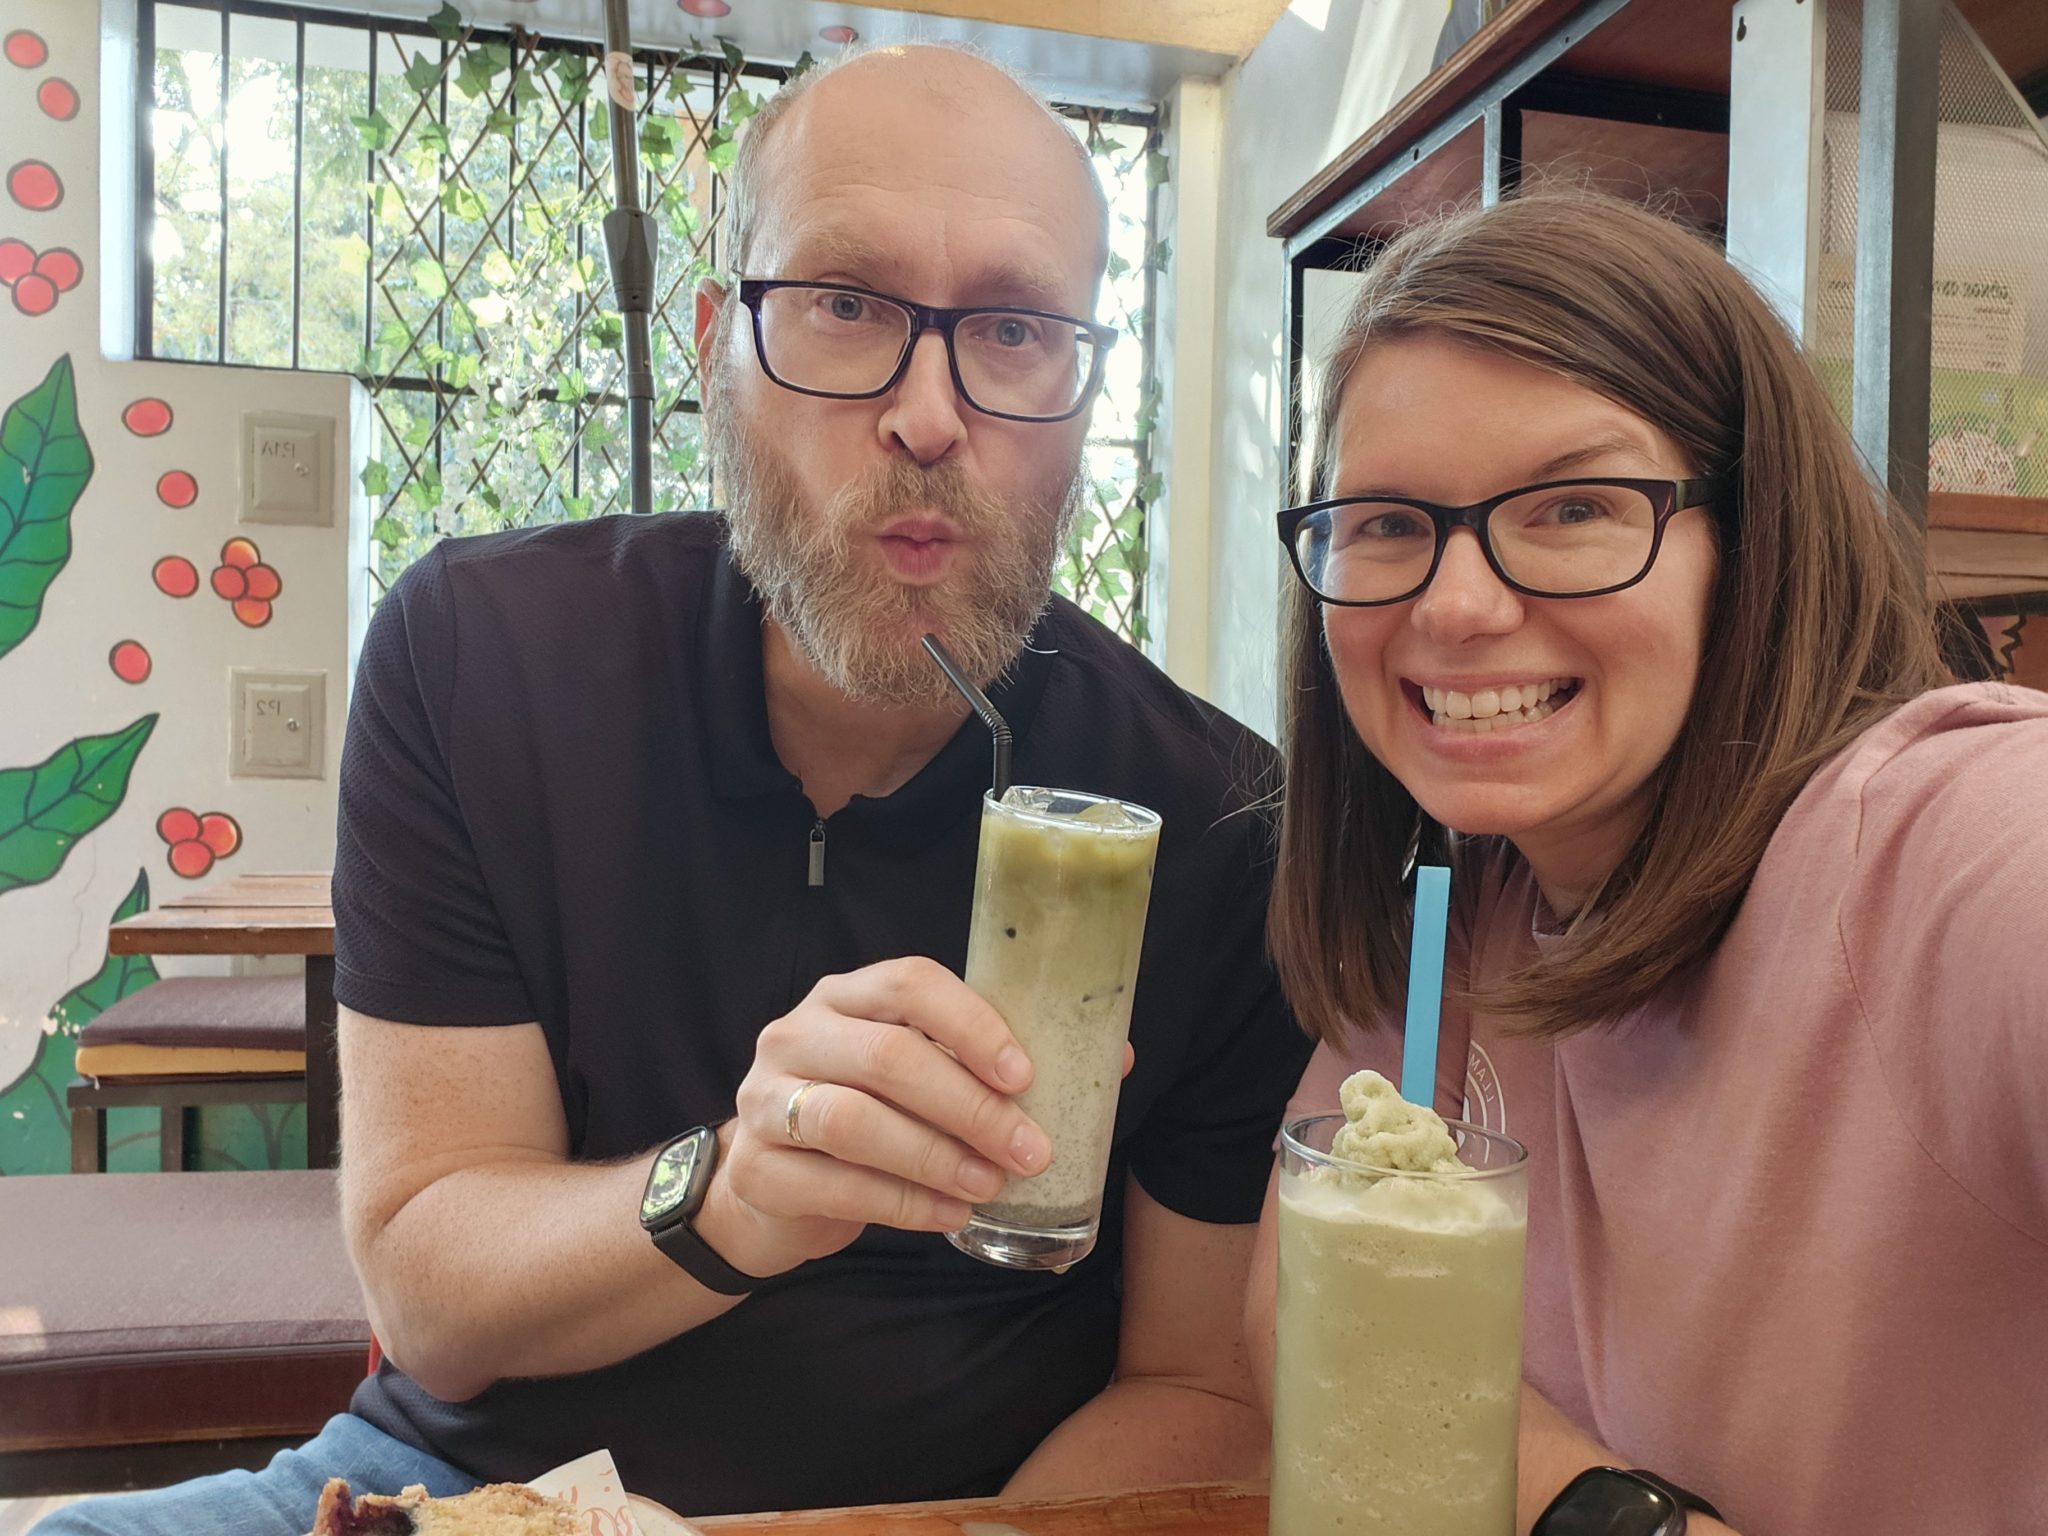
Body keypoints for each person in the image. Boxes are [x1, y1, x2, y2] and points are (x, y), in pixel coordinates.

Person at [40, 44, 1307, 1536]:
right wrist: (735, 1192)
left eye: (1016, 328)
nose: (928, 415)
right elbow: (431, 1300)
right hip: (473, 1489)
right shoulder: (481, 660)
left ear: (1084, 394)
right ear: (718, 347)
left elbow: (1197, 1389)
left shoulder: (1218, 819)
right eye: (847, 305)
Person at [1246, 192, 2047, 1536]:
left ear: (1752, 538)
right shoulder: (1463, 914)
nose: (1456, 605)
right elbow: (1296, 1305)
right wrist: (1604, 1515)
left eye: (1573, 506)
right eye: (1384, 523)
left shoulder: (1947, 848)